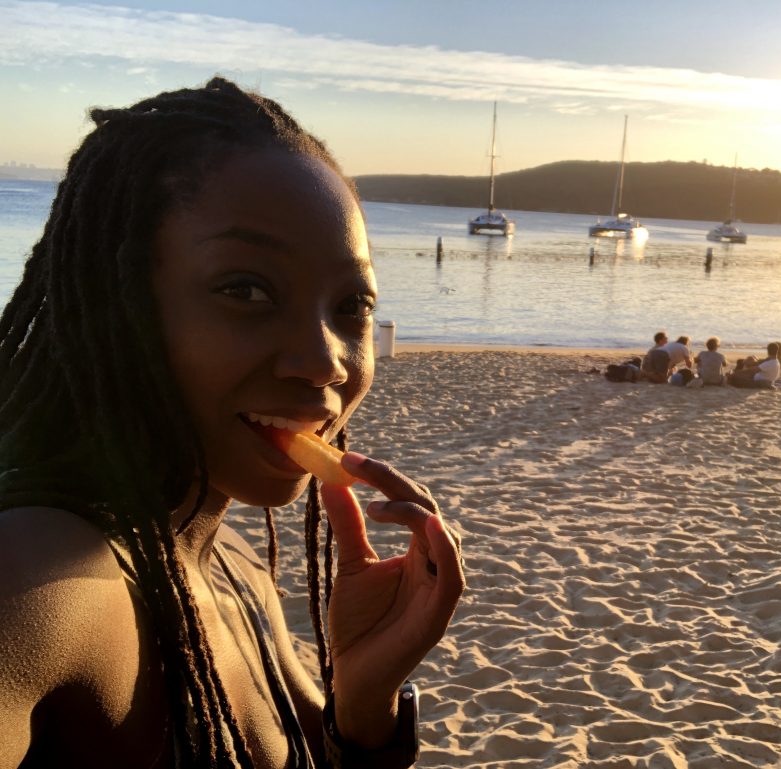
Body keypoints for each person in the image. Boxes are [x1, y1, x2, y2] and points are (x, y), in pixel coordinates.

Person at [0, 78, 465, 768]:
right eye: (246, 290)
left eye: (352, 305)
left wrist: (364, 704)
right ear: (119, 304)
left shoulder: (233, 562)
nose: (324, 361)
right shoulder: (37, 573)